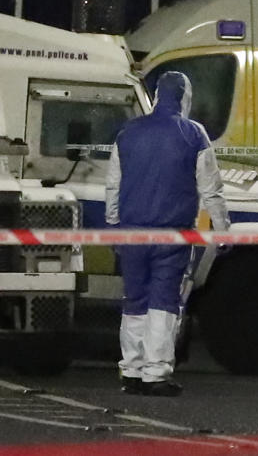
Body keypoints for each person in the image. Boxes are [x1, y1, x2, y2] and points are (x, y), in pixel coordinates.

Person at [105, 71, 230, 397]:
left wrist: (114, 227)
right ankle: (155, 374)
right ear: (184, 96)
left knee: (133, 301)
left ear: (158, 94)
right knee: (163, 302)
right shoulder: (193, 134)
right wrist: (222, 230)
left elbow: (113, 186)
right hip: (171, 237)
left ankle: (130, 370)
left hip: (131, 234)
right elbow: (211, 189)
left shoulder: (128, 132)